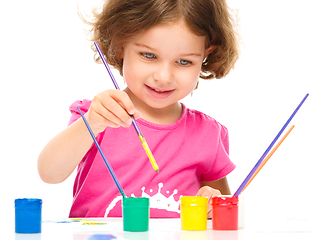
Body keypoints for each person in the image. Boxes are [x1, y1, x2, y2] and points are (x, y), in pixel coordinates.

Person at [38, 0, 239, 218]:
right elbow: (49, 173)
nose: (163, 76)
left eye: (183, 62)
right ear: (120, 44)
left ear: (206, 55)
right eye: (149, 55)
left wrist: (212, 205)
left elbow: (223, 216)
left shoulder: (207, 133)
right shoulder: (97, 115)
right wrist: (92, 123)